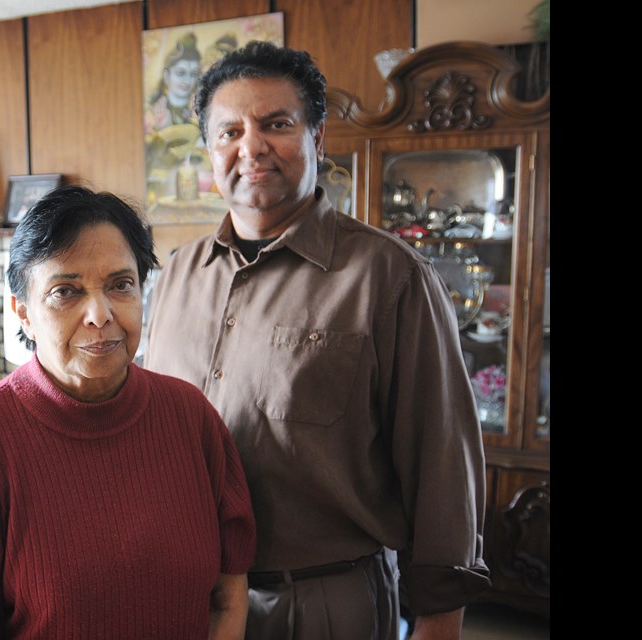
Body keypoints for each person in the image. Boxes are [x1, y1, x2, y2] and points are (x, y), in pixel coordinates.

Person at [144, 41, 490, 640]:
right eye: (229, 132)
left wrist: (439, 621)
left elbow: (441, 461)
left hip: (325, 603)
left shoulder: (390, 277)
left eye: (276, 124)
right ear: (209, 151)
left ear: (318, 136)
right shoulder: (176, 275)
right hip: (187, 597)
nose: (250, 146)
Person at [0, 184, 256, 639]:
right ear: (23, 312)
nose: (100, 314)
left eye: (121, 285)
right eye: (66, 291)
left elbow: (228, 595)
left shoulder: (190, 415)